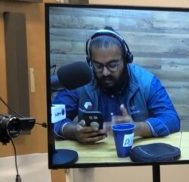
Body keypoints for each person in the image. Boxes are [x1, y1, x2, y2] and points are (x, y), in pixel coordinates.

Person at [52, 27, 180, 144]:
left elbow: (171, 119)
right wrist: (74, 131)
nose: (105, 72)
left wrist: (137, 128)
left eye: (112, 65)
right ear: (90, 62)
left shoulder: (147, 82)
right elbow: (52, 119)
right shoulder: (79, 81)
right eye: (98, 66)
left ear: (126, 60)